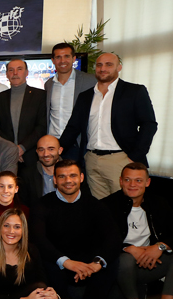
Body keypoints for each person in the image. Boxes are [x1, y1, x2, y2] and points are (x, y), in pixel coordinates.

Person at [31, 160, 119, 299]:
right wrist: (66, 262)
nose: (68, 180)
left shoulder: (96, 205)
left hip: (87, 262)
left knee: (111, 260)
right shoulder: (42, 205)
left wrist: (96, 263)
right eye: (62, 176)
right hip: (58, 260)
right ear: (55, 180)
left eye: (72, 175)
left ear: (81, 178)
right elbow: (38, 238)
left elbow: (113, 238)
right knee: (43, 258)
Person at [59, 52, 158, 199]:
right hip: (91, 160)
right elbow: (73, 127)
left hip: (121, 160)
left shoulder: (134, 91)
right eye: (99, 65)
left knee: (126, 206)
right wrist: (58, 149)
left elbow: (149, 124)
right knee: (101, 211)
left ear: (119, 67)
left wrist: (135, 155)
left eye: (108, 64)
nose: (102, 68)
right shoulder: (85, 96)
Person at [101, 162, 173, 299]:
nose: (133, 185)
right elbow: (99, 240)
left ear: (147, 182)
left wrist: (160, 247)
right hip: (123, 265)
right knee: (124, 259)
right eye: (128, 180)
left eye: (138, 180)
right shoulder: (107, 205)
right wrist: (128, 248)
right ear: (120, 181)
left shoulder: (160, 203)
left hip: (154, 261)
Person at [0, 59, 47, 165]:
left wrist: (22, 148)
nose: (15, 73)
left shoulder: (40, 96)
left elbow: (42, 127)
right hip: (5, 154)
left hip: (32, 155)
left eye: (19, 69)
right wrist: (12, 149)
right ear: (7, 74)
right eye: (11, 70)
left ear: (27, 73)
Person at [44, 43, 97, 145]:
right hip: (54, 142)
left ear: (74, 59)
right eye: (58, 57)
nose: (63, 61)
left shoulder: (91, 81)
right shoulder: (49, 84)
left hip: (78, 143)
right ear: (53, 61)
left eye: (67, 56)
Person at [19, 135, 63, 208]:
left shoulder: (72, 172)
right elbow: (23, 205)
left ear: (60, 150)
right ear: (37, 152)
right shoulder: (27, 174)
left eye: (51, 149)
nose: (46, 154)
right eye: (41, 150)